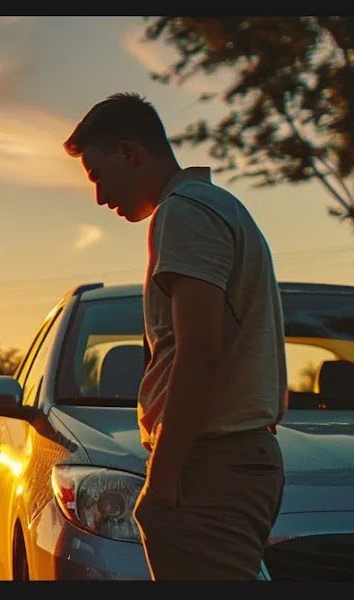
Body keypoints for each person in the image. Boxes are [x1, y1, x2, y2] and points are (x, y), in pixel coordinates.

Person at [61, 92, 287, 580]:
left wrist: (162, 479)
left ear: (129, 152)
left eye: (98, 175)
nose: (99, 197)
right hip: (226, 459)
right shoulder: (218, 208)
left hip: (210, 464)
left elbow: (198, 350)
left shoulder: (183, 213)